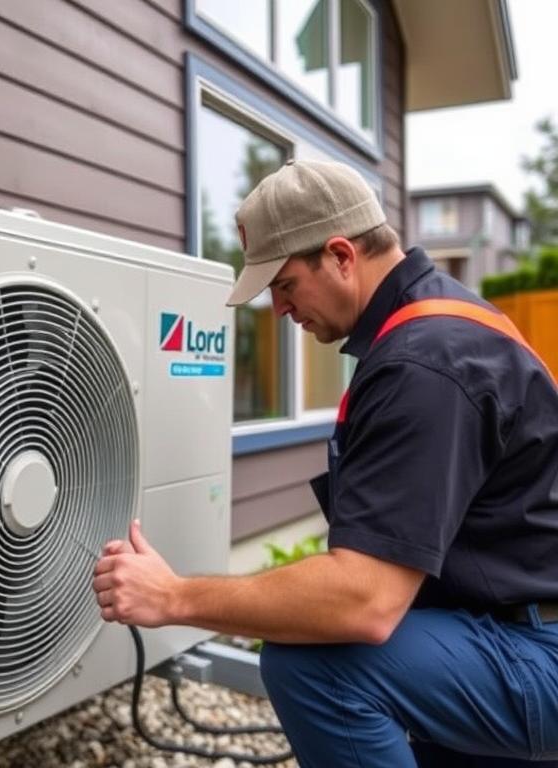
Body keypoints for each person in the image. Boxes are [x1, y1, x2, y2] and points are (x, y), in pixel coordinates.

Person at [92, 158, 558, 767]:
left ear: (341, 256)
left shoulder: (423, 364)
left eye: (284, 285)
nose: (280, 310)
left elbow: (364, 600)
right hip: (507, 624)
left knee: (317, 665)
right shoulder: (443, 324)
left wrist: (174, 596)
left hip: (535, 649)